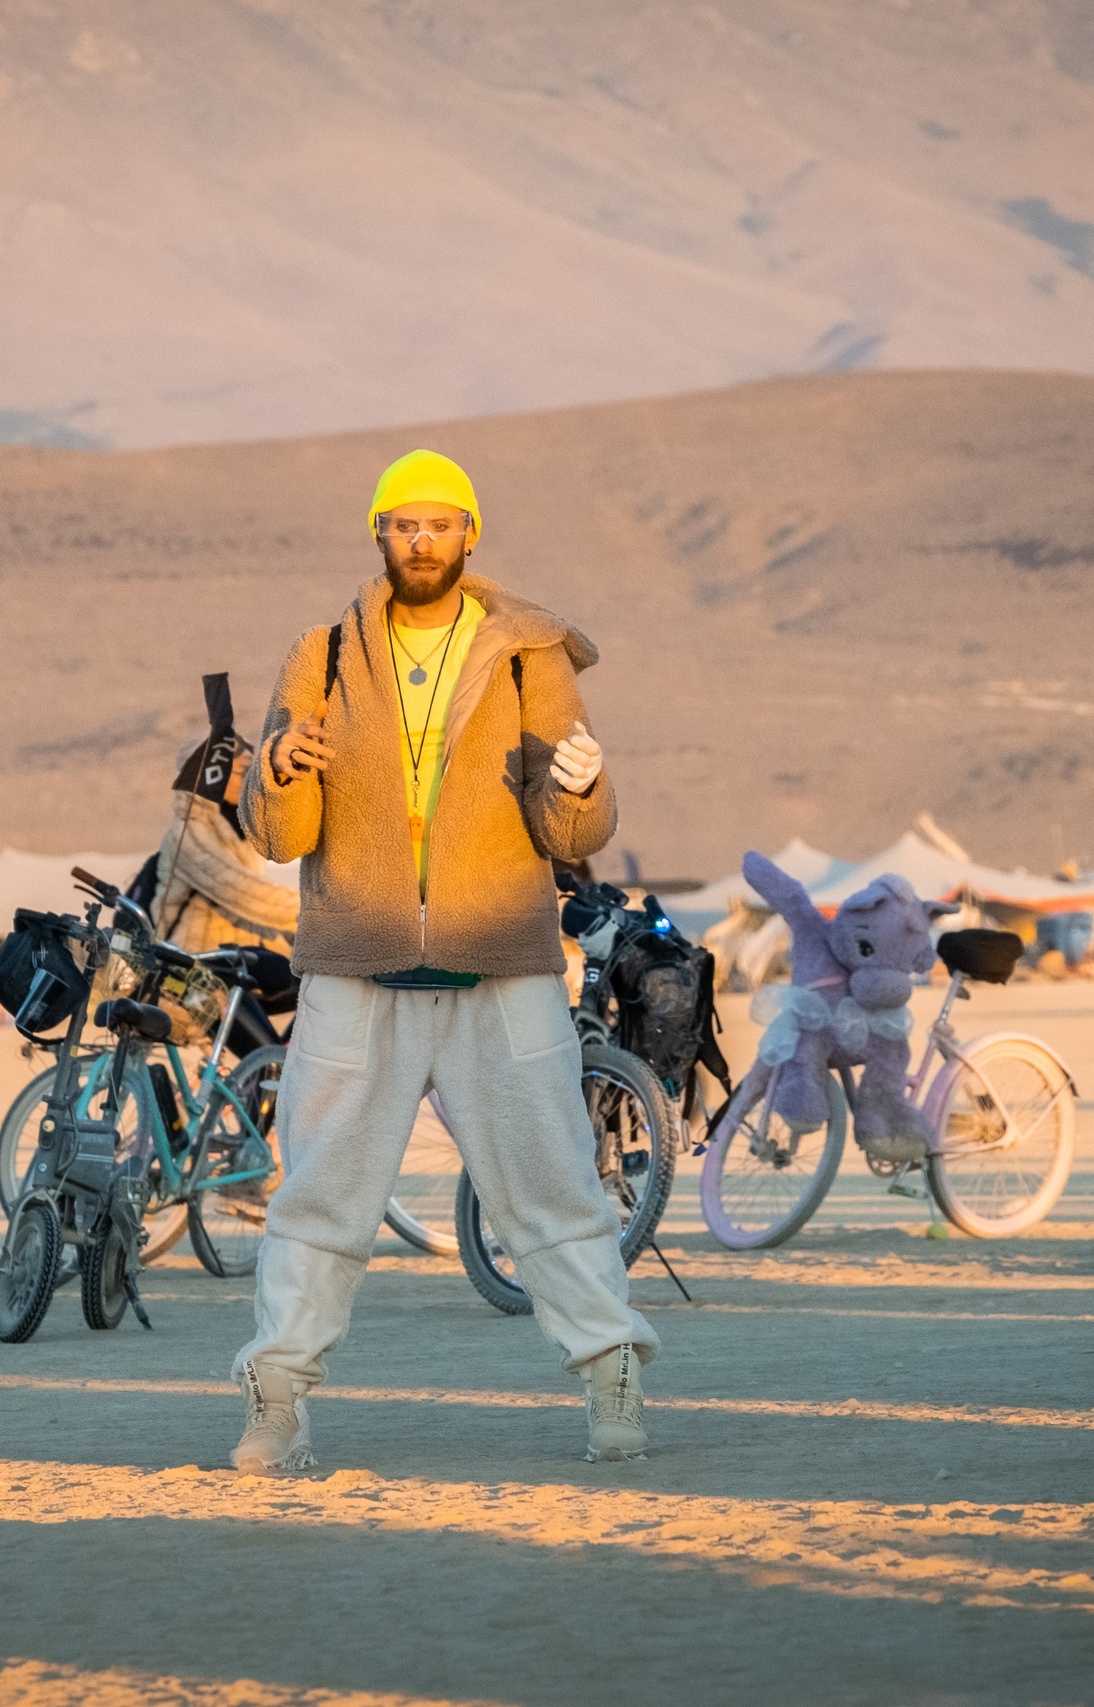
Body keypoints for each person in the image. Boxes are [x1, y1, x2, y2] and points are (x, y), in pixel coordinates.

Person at [228, 448, 656, 1473]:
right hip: (356, 962)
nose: (421, 541)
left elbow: (569, 830)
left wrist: (582, 786)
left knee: (551, 1180)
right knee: (319, 1193)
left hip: (498, 961)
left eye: (440, 523)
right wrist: (277, 769)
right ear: (378, 533)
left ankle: (612, 1373)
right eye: (403, 524)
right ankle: (276, 1399)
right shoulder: (323, 653)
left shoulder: (529, 654)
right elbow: (281, 833)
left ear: (471, 534)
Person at [151, 736, 300, 957]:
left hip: (242, 952)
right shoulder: (187, 834)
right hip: (196, 957)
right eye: (243, 771)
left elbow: (253, 913)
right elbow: (241, 892)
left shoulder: (240, 826)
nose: (250, 780)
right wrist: (312, 909)